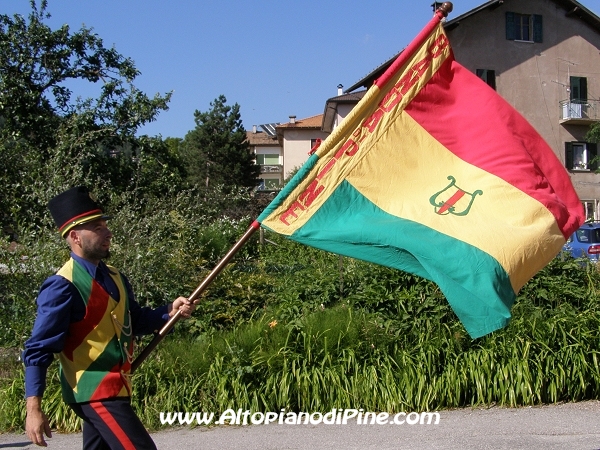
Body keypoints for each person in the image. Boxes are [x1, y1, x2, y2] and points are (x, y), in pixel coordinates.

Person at [23, 186, 196, 449]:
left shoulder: (115, 276)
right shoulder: (61, 286)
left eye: (105, 225)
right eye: (97, 227)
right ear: (75, 236)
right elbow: (39, 348)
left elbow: (134, 321)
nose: (108, 233)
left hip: (117, 387)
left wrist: (168, 312)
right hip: (93, 392)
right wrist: (33, 408)